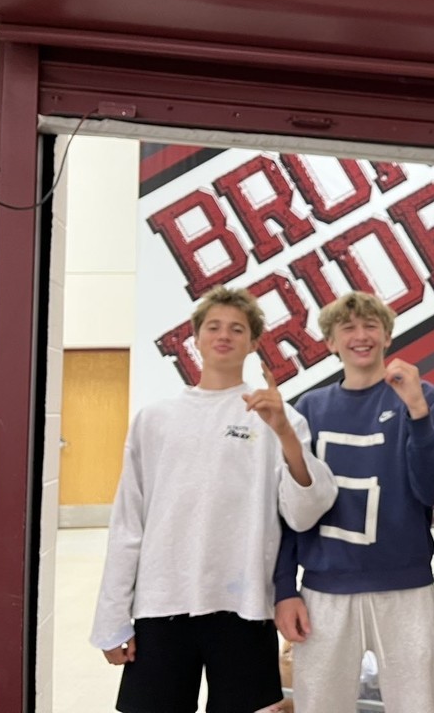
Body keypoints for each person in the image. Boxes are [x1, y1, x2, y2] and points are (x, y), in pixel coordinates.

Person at [90, 286, 338, 713]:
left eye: (237, 329)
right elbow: (129, 522)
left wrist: (282, 434)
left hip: (244, 607)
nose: (224, 335)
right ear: (196, 338)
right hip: (161, 604)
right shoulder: (155, 419)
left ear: (253, 342)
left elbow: (304, 512)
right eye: (214, 327)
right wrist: (112, 619)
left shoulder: (278, 416)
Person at [273, 290, 434, 713]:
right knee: (320, 706)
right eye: (347, 328)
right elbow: (285, 509)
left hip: (405, 587)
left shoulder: (419, 394)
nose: (361, 335)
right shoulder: (309, 409)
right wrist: (284, 588)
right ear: (331, 342)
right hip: (325, 589)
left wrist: (417, 413)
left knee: (419, 705)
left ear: (388, 336)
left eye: (371, 325)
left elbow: (433, 489)